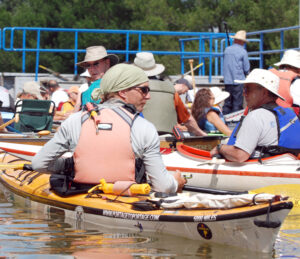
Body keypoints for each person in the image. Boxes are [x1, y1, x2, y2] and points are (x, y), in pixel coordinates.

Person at [32, 64, 186, 193]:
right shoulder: (144, 128)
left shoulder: (75, 120)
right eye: (144, 90)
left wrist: (68, 165)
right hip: (125, 202)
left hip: (81, 197)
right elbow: (163, 186)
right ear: (123, 92)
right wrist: (176, 182)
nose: (148, 96)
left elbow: (39, 164)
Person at [210, 69, 300, 162]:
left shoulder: (256, 116)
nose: (243, 93)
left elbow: (239, 155)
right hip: (289, 163)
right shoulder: (289, 113)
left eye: (247, 89)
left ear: (264, 92)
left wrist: (220, 148)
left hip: (262, 168)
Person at [133, 52, 207, 136]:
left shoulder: (131, 90)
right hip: (167, 138)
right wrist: (202, 134)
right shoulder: (170, 90)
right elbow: (188, 120)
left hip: (140, 136)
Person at [73, 46, 119, 112]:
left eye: (96, 64)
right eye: (88, 65)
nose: (91, 69)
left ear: (107, 63)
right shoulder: (87, 90)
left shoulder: (118, 85)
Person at [223, 30, 250, 115]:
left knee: (227, 103)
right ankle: (235, 124)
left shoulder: (226, 50)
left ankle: (224, 120)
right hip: (238, 81)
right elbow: (246, 68)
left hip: (227, 81)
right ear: (242, 41)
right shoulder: (243, 51)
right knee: (237, 104)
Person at [270, 49, 300, 115]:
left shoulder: (269, 77)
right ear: (298, 69)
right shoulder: (297, 82)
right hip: (289, 120)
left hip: (269, 116)